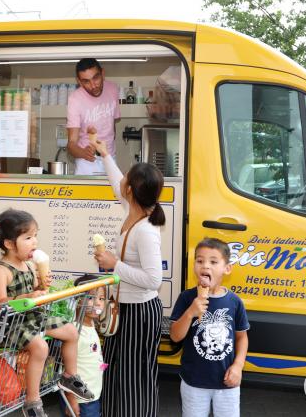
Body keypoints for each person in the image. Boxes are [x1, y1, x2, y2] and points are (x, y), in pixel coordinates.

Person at [0, 209, 94, 417]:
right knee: (40, 347)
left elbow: (38, 293)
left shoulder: (29, 266)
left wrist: (42, 285)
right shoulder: (1, 270)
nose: (35, 242)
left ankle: (69, 376)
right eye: (28, 238)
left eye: (36, 236)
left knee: (71, 332)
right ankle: (32, 400)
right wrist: (28, 296)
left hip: (34, 317)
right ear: (10, 244)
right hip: (12, 323)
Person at [91, 139, 165, 417]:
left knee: (135, 378)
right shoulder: (133, 209)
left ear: (131, 191)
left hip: (139, 312)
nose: (121, 183)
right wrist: (105, 154)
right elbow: (116, 182)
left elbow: (153, 279)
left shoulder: (145, 230)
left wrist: (115, 264)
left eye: (127, 181)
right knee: (114, 372)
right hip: (125, 310)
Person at [169, 238, 250, 417]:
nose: (205, 266)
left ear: (227, 268)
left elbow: (241, 337)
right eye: (200, 261)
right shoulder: (186, 298)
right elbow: (175, 336)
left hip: (227, 383)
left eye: (213, 262)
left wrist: (238, 366)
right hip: (194, 382)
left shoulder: (234, 302)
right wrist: (191, 312)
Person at [61, 274, 108, 417]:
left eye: (101, 298)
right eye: (91, 298)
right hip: (80, 400)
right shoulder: (74, 331)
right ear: (77, 299)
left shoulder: (91, 323)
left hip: (91, 395)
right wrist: (71, 398)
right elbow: (67, 369)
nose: (98, 303)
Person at [66, 58, 121, 175]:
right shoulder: (75, 99)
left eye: (96, 78)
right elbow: (71, 143)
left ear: (103, 73)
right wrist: (83, 153)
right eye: (86, 81)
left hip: (110, 158)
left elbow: (112, 126)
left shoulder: (113, 89)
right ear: (79, 82)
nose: (93, 85)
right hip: (87, 163)